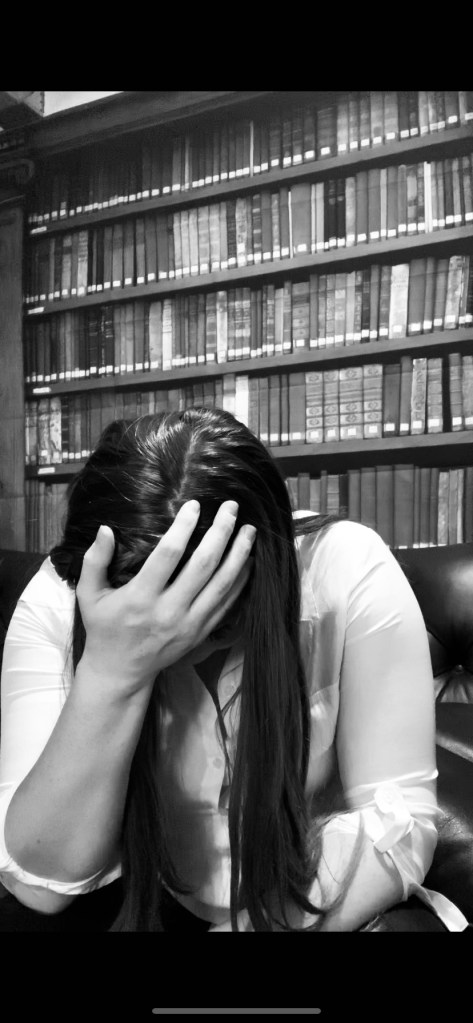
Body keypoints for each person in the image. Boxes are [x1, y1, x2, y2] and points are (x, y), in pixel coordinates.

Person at [0, 407, 468, 932]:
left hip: (303, 894)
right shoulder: (57, 599)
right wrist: (113, 673)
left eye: (215, 611)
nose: (179, 628)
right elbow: (43, 883)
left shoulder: (344, 566)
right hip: (134, 898)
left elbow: (402, 824)